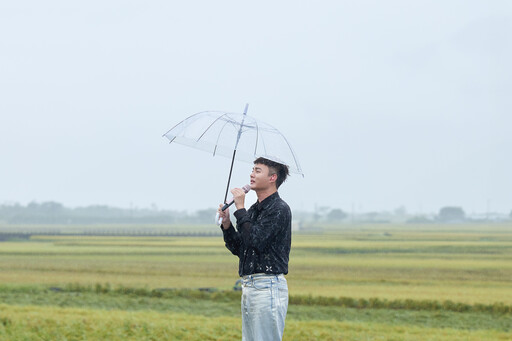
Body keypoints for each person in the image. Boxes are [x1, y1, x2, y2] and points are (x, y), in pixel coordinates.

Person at [217, 157, 292, 341]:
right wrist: (227, 224)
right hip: (249, 285)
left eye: (258, 170)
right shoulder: (254, 210)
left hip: (268, 287)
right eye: (252, 170)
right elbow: (241, 248)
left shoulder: (279, 209)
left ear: (272, 178)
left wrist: (240, 207)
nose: (252, 174)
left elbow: (257, 241)